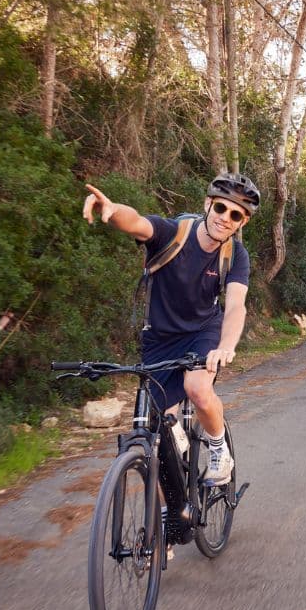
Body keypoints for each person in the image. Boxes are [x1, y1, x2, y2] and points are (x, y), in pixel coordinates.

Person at [82, 173, 258, 485]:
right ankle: (167, 513)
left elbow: (235, 306)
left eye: (236, 215)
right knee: (160, 434)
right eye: (221, 209)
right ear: (208, 204)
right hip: (159, 336)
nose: (226, 219)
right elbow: (136, 222)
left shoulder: (235, 256)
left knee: (198, 388)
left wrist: (226, 346)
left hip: (202, 332)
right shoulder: (173, 233)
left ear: (241, 222)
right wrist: (111, 211)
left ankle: (218, 449)